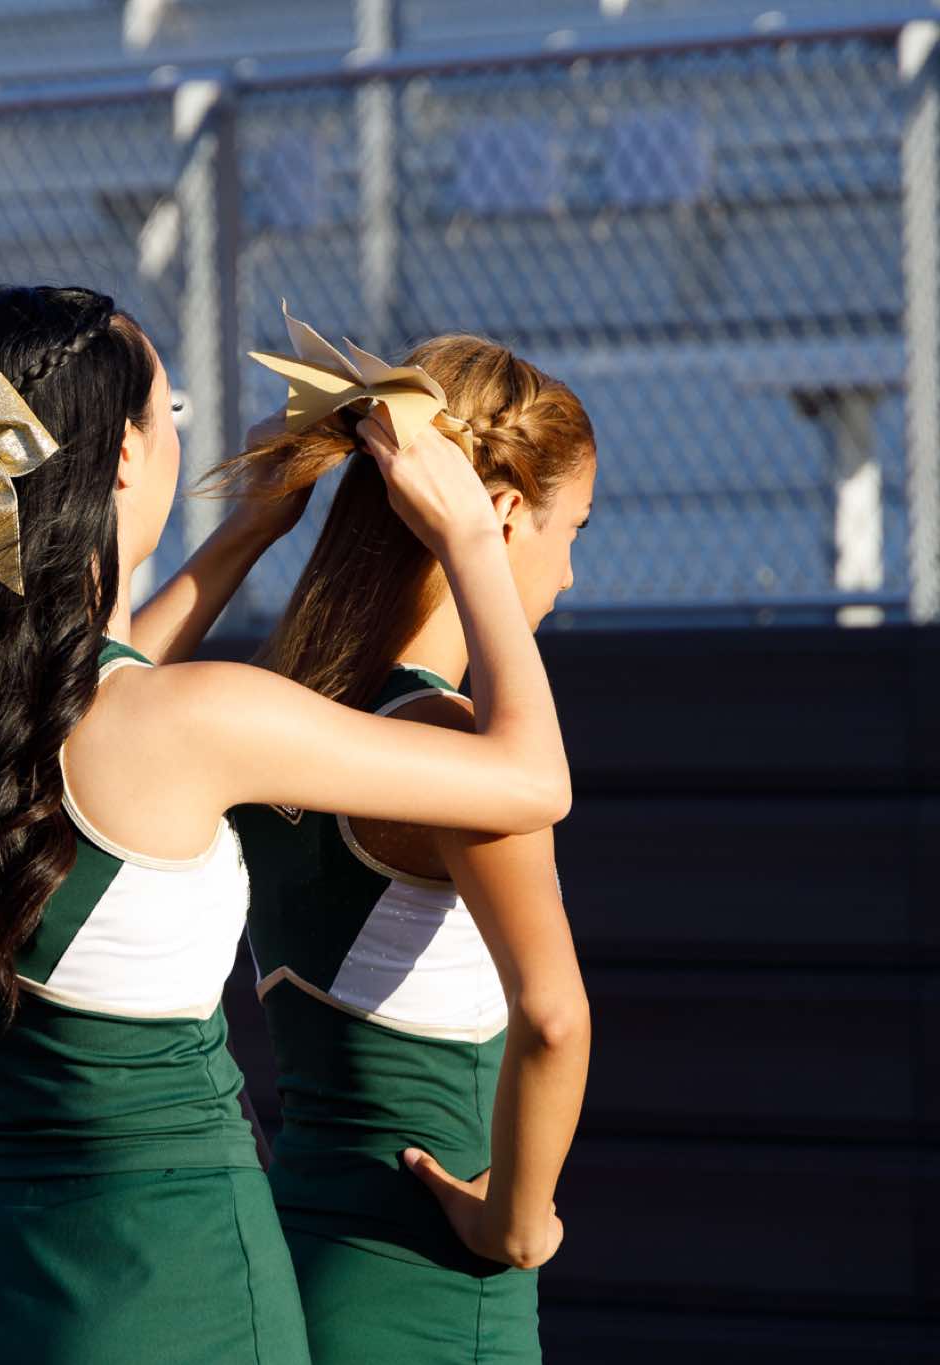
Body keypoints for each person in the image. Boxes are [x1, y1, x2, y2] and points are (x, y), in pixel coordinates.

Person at [0, 285, 572, 1365]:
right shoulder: (190, 720)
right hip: (174, 1283)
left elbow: (107, 673)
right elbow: (529, 777)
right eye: (171, 410)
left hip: (2, 1287)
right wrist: (471, 535)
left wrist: (248, 529)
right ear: (123, 458)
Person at [224, 334, 596, 1365]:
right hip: (429, 1295)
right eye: (571, 531)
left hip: (291, 1273)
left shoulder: (284, 721)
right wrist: (514, 1223)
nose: (569, 574)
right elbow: (554, 1017)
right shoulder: (445, 749)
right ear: (501, 515)